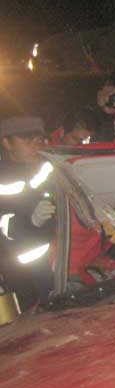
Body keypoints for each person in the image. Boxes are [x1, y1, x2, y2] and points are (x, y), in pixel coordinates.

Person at [0, 115, 55, 310]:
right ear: (6, 143)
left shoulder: (49, 167)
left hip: (57, 263)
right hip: (21, 273)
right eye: (26, 140)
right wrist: (31, 222)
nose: (34, 146)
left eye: (38, 140)